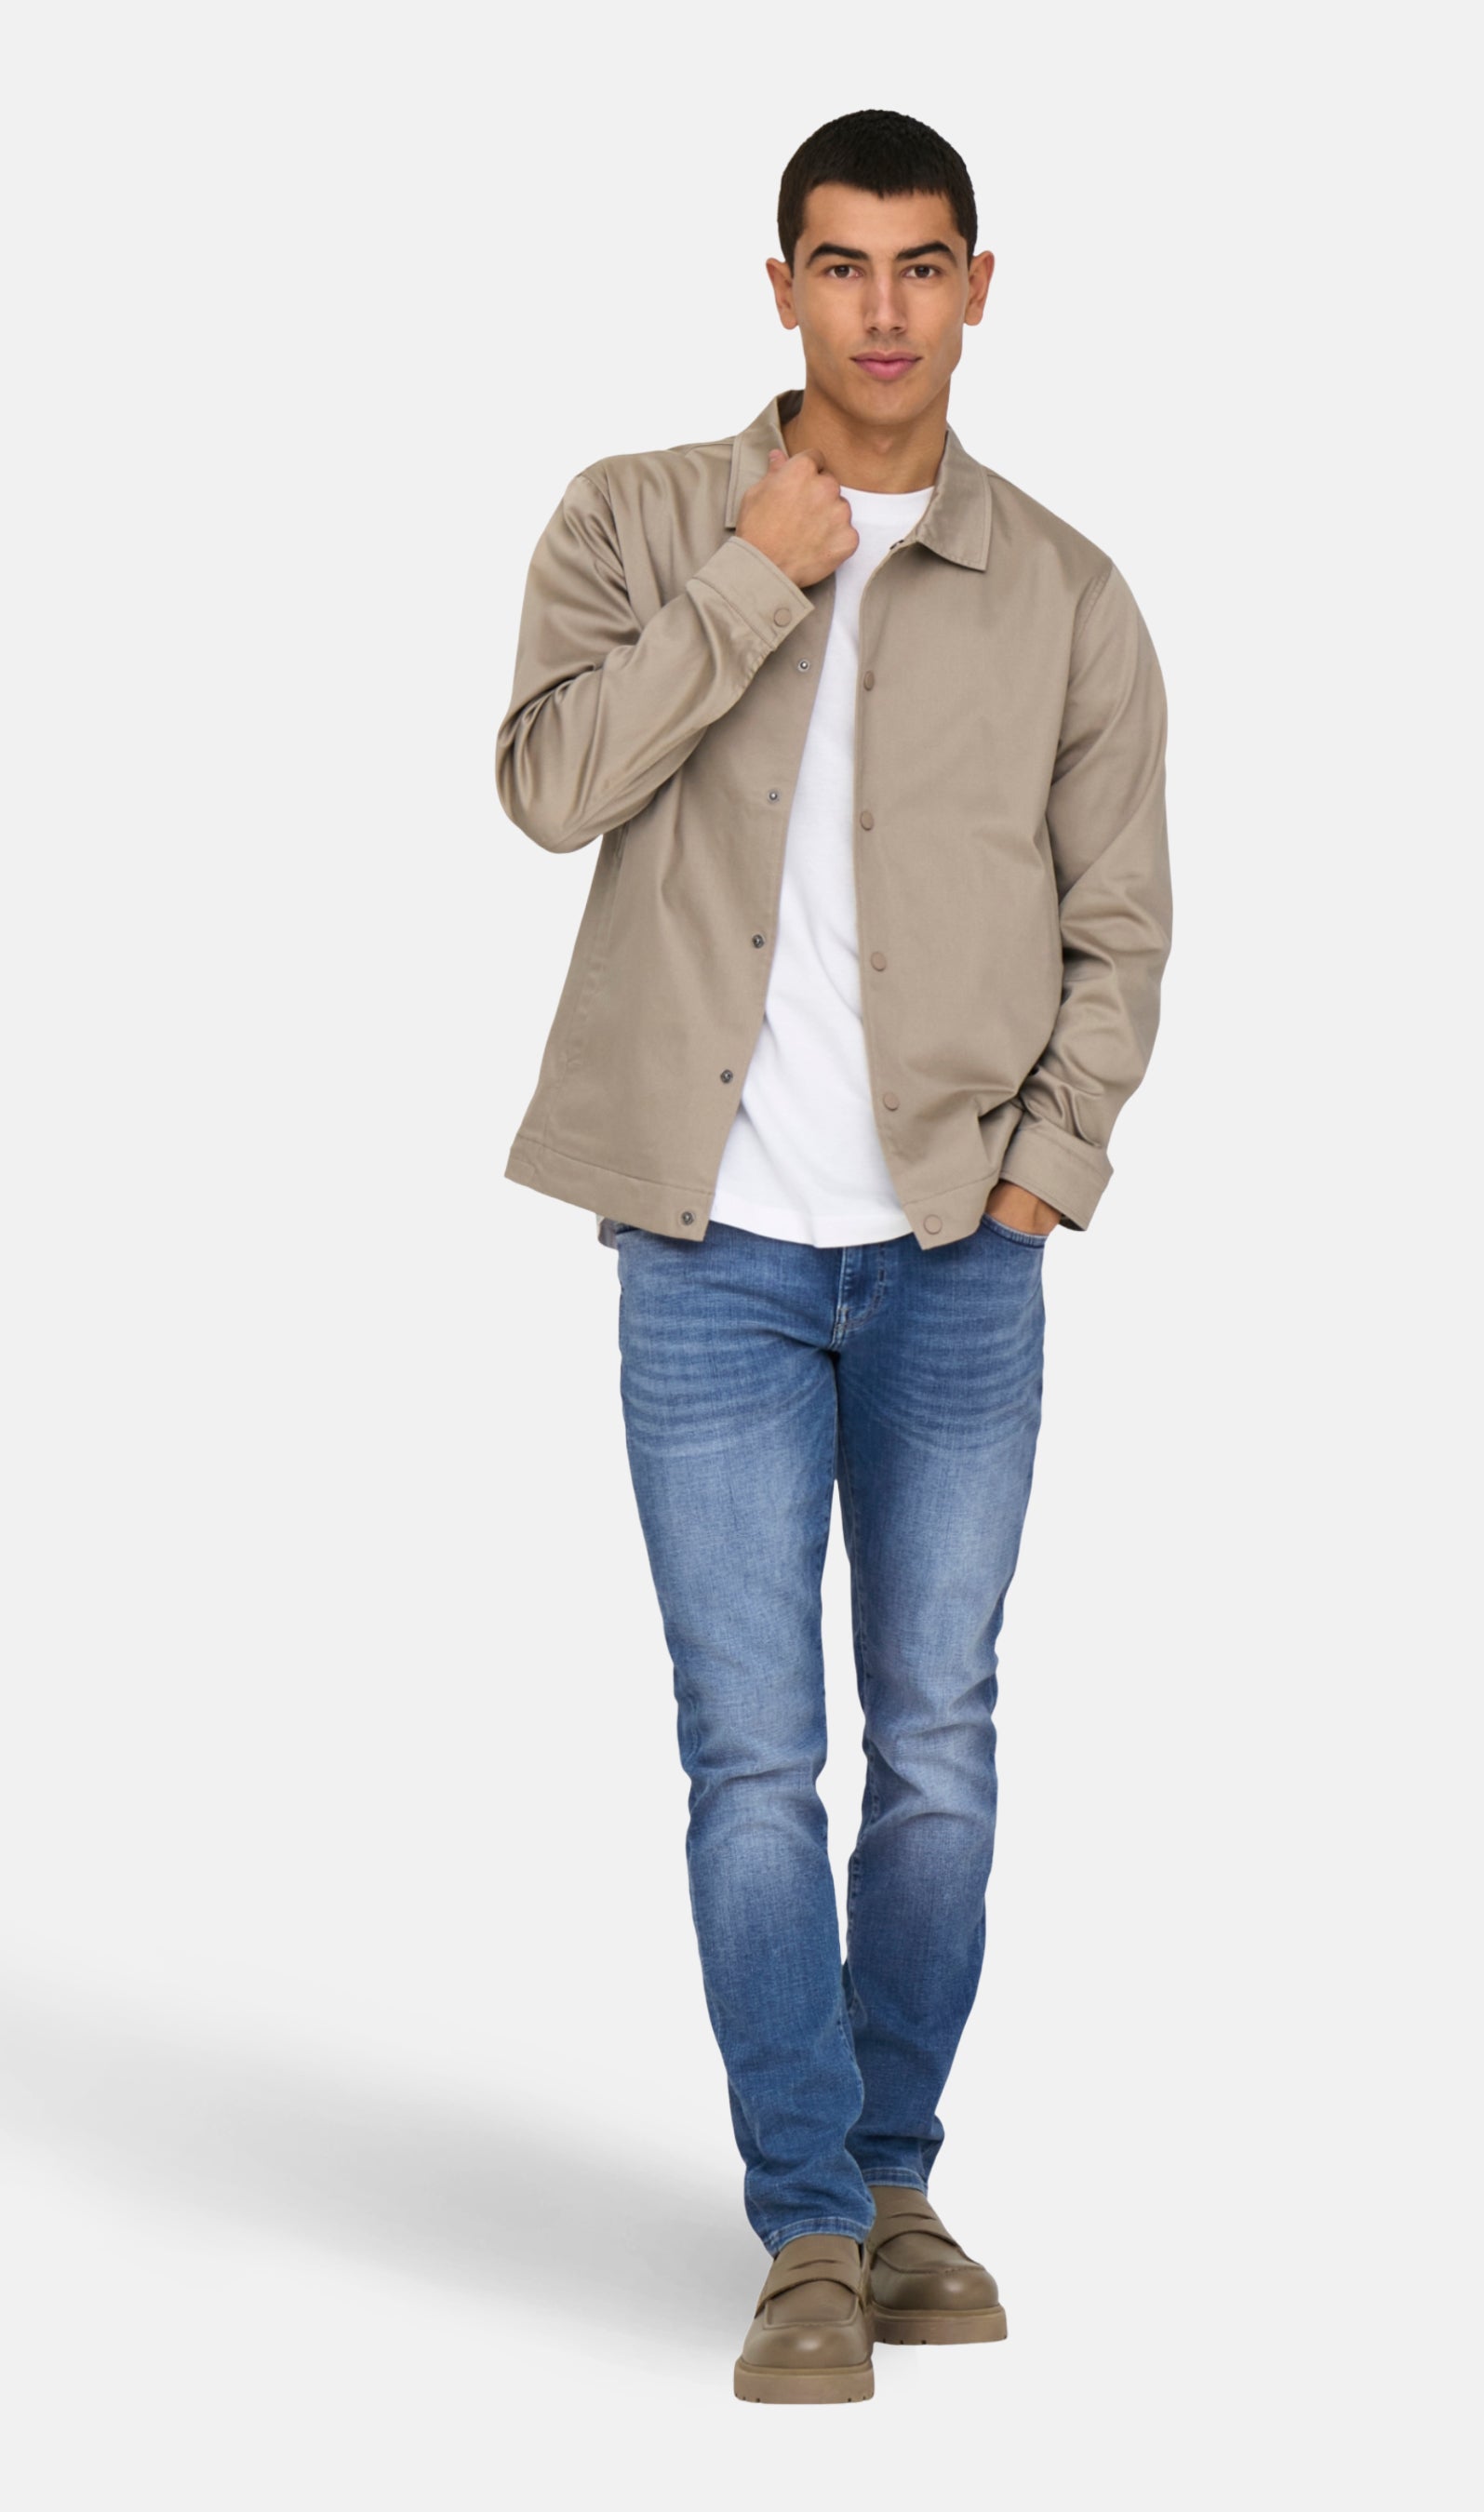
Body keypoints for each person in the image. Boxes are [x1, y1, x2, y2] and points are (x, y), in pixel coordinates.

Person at [493, 106, 1171, 2404]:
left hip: (957, 1260)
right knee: (754, 1761)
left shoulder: (1069, 592)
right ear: (778, 286)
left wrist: (1045, 1169)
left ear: (981, 287)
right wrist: (753, 580)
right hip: (709, 1261)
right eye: (840, 263)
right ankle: (804, 2221)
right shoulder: (636, 519)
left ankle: (896, 2180)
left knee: (944, 1750)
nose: (882, 306)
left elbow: (1123, 921)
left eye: (921, 263)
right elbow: (548, 785)